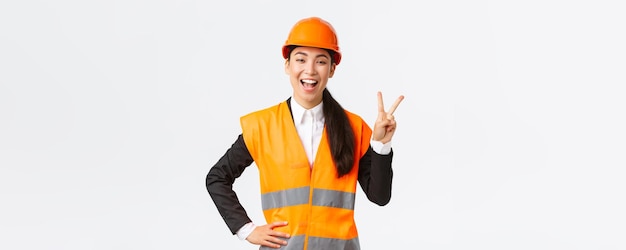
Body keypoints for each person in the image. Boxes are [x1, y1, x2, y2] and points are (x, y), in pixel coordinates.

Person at [206, 16, 404, 250]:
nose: (310, 70)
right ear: (287, 65)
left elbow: (379, 197)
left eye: (320, 61)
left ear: (332, 69)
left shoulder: (353, 127)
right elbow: (217, 178)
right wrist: (246, 229)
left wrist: (381, 145)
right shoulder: (262, 126)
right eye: (301, 59)